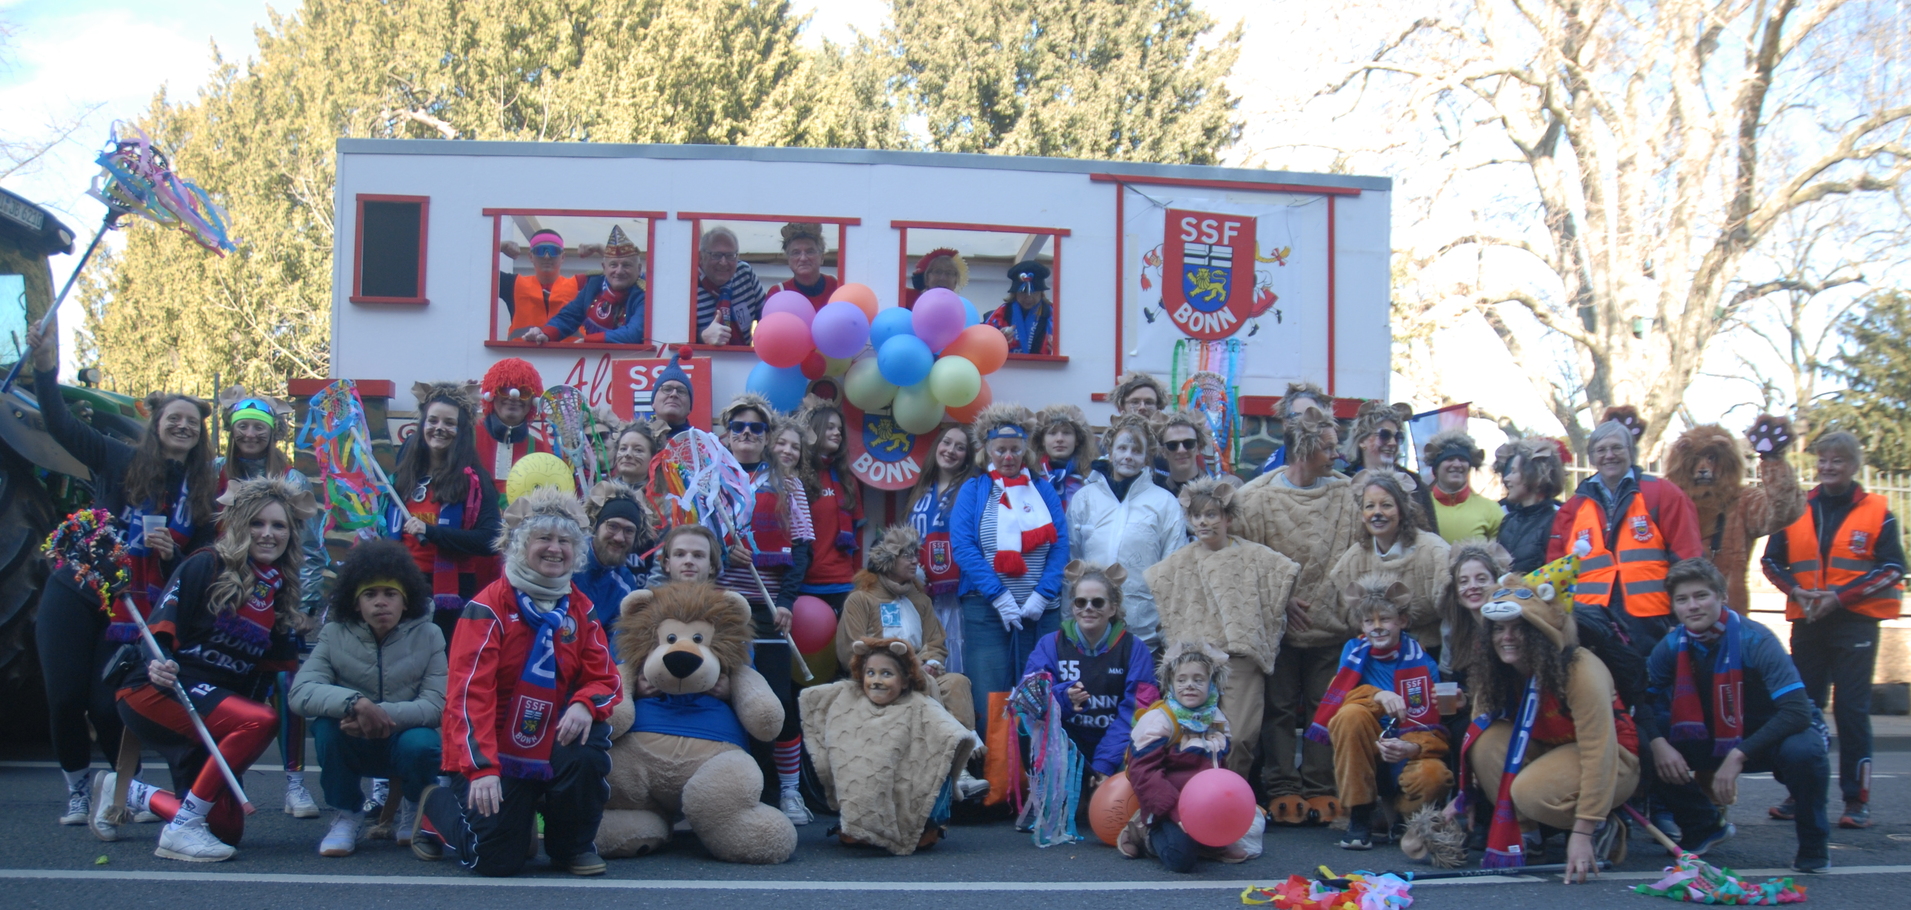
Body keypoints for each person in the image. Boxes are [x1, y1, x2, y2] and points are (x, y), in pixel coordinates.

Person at [26, 311, 218, 826]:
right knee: (64, 697)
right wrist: (47, 368)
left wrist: (169, 555)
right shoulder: (118, 459)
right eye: (173, 418)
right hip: (79, 590)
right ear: (156, 425)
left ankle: (119, 791)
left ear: (200, 437)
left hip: (132, 609)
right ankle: (77, 788)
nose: (182, 426)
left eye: (192, 424)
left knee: (107, 705)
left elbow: (198, 565)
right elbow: (62, 426)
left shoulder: (201, 498)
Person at [420, 488, 623, 877]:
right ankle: (437, 807)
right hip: (493, 746)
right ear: (519, 544)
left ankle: (571, 848)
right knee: (496, 862)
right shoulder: (488, 607)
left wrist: (584, 703)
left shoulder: (579, 607)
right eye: (543, 538)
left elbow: (606, 677)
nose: (554, 549)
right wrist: (482, 768)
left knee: (587, 747)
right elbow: (467, 696)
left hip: (551, 736)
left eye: (564, 540)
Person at [110, 478, 312, 861]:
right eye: (257, 523)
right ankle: (182, 827)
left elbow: (274, 679)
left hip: (217, 712)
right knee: (260, 721)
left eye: (279, 525)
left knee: (226, 832)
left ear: (291, 533)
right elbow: (155, 634)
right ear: (238, 524)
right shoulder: (206, 563)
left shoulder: (280, 590)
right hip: (158, 691)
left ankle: (135, 793)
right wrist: (157, 663)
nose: (268, 534)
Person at [1461, 549, 1638, 882]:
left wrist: (1582, 831)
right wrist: (1462, 802)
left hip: (1614, 759)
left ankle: (1599, 823)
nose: (1506, 637)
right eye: (1498, 629)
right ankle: (1529, 834)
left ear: (1541, 631)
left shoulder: (1580, 668)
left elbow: (1599, 751)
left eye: (1519, 628)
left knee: (1529, 792)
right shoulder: (1497, 669)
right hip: (1549, 751)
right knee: (1484, 742)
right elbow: (1476, 728)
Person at [1645, 559, 1831, 871]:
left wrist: (1738, 755)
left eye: (1701, 596)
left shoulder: (1755, 639)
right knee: (1640, 741)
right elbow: (1639, 705)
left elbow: (1797, 712)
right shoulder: (1671, 644)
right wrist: (1659, 745)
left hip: (1766, 737)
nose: (1692, 606)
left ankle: (1813, 844)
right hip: (1707, 737)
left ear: (1722, 597)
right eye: (1682, 599)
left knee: (1804, 751)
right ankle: (1703, 825)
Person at [1761, 431, 1901, 830]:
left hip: (1854, 621)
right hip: (1808, 620)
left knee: (1851, 710)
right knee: (1804, 709)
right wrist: (1798, 592)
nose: (1827, 466)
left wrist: (1840, 598)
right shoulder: (1798, 507)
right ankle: (1800, 792)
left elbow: (1893, 568)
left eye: (1837, 460)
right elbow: (1771, 563)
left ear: (1854, 465)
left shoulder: (1878, 510)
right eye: (1822, 459)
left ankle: (1856, 800)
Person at [1235, 406, 1357, 825]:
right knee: (1280, 708)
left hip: (1332, 627)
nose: (1335, 455)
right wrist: (1280, 599)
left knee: (1327, 707)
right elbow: (1245, 558)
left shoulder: (1350, 495)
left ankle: (1322, 789)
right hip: (1280, 630)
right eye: (1327, 448)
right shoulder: (1257, 498)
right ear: (1303, 449)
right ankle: (1283, 787)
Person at [289, 539, 447, 857]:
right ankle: (347, 814)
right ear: (355, 601)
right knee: (325, 729)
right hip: (352, 737)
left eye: (390, 594)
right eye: (370, 594)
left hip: (401, 739)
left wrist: (379, 714)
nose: (380, 603)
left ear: (406, 600)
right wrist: (356, 704)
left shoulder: (430, 635)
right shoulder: (334, 633)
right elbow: (301, 692)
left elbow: (436, 704)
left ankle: (414, 809)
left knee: (423, 742)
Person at [213, 389, 329, 818]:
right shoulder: (214, 474)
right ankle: (227, 781)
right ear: (230, 430)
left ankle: (295, 785)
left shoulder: (293, 481)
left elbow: (313, 551)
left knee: (286, 692)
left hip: (278, 602)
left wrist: (303, 607)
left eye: (258, 427)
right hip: (227, 604)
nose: (249, 434)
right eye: (242, 425)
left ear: (273, 433)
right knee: (229, 692)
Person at [1145, 478, 1298, 781]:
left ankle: (1231, 790)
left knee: (1240, 734)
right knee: (1190, 732)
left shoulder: (1256, 557)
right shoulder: (1176, 564)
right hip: (1195, 660)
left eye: (1212, 514)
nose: (1204, 522)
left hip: (1239, 656)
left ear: (1228, 518)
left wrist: (1281, 606)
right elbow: (1165, 596)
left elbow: (1282, 580)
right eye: (1197, 516)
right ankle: (1193, 791)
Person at [716, 393, 813, 825]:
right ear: (728, 435)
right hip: (721, 606)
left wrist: (788, 602)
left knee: (776, 701)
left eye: (756, 429)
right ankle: (735, 789)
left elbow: (803, 547)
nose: (747, 435)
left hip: (767, 607)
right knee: (724, 696)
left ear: (768, 437)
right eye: (739, 428)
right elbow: (690, 544)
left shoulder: (787, 485)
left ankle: (789, 791)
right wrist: (723, 552)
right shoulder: (711, 482)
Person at [950, 403, 1070, 736]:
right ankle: (999, 781)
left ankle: (1039, 777)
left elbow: (1060, 546)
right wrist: (1000, 596)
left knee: (1040, 697)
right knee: (993, 699)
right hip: (987, 613)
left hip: (1040, 613)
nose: (1008, 456)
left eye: (1015, 449)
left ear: (1025, 450)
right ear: (987, 450)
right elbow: (964, 548)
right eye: (1000, 449)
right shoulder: (974, 491)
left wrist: (1043, 595)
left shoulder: (1043, 490)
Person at [1312, 576, 1453, 850]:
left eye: (1385, 619)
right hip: (1365, 754)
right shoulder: (1353, 653)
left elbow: (1436, 729)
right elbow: (1337, 699)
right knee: (1350, 715)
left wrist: (1410, 747)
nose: (1376, 628)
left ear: (1402, 621)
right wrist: (1378, 695)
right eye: (1369, 621)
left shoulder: (1423, 661)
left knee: (1436, 775)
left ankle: (1402, 817)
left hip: (1406, 749)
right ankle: (1360, 816)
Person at [800, 638, 974, 854]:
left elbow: (950, 733)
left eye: (886, 674)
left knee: (933, 767)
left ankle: (922, 826)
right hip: (863, 786)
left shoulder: (918, 705)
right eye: (870, 673)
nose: (876, 680)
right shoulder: (850, 700)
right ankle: (859, 822)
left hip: (905, 784)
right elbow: (816, 700)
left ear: (904, 680)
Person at [1548, 418, 1702, 657]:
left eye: (1617, 447)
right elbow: (1558, 573)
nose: (1609, 455)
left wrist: (1680, 616)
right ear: (1591, 458)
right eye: (1601, 450)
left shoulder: (1662, 494)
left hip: (1653, 622)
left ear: (1631, 451)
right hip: (1591, 622)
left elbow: (1688, 558)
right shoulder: (1572, 509)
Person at [1118, 640, 1262, 871]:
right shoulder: (1159, 720)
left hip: (1206, 807)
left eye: (1199, 680)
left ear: (1212, 684)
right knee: (1181, 859)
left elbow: (1219, 770)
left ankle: (1209, 843)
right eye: (1181, 680)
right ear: (1171, 684)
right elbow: (1143, 773)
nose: (1189, 686)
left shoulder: (1215, 718)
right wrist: (1177, 812)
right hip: (1167, 807)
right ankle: (1141, 833)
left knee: (1251, 832)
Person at [1022, 561, 1159, 791]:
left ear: (1112, 608)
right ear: (1073, 607)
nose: (1088, 608)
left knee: (1152, 732)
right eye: (1080, 601)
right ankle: (1044, 797)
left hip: (1117, 748)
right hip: (1067, 746)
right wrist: (1064, 699)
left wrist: (1105, 764)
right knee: (1025, 724)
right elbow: (1029, 699)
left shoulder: (1135, 649)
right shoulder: (1050, 644)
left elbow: (1137, 713)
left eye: (1097, 602)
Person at [838, 527, 978, 734]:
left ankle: (963, 750)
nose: (915, 561)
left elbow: (935, 642)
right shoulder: (860, 599)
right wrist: (898, 669)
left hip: (921, 674)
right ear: (887, 561)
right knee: (920, 687)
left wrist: (931, 663)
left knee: (956, 683)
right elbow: (851, 650)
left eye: (915, 555)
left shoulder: (920, 600)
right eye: (907, 556)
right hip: (880, 678)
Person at [393, 382, 503, 643]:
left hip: (450, 595)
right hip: (402, 584)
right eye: (432, 420)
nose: (439, 428)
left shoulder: (476, 481)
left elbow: (491, 540)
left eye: (449, 423)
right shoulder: (403, 475)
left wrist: (431, 532)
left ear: (461, 430)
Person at [1665, 416, 1805, 611]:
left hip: (1728, 612)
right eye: (1695, 459)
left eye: (1712, 458)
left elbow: (1781, 512)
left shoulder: (1742, 501)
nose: (1703, 467)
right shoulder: (1669, 501)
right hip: (1674, 611)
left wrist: (1773, 460)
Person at [1069, 415, 1186, 645]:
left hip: (1142, 629)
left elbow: (1174, 569)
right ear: (1110, 452)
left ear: (1146, 457)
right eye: (1122, 448)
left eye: (1136, 450)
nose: (1128, 456)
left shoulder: (1164, 502)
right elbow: (1072, 561)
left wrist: (1168, 631)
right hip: (1090, 630)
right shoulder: (1085, 498)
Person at [1328, 471, 1452, 655]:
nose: (1377, 513)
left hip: (1431, 651)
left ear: (1401, 511)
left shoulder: (1433, 551)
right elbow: (1349, 615)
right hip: (1376, 654)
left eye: (1386, 505)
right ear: (1362, 514)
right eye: (1370, 506)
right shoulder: (1353, 560)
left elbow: (1451, 614)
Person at [907, 424, 977, 672]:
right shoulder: (920, 489)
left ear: (968, 457)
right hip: (918, 591)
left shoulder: (971, 490)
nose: (950, 450)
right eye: (946, 442)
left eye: (960, 447)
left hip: (955, 595)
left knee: (950, 654)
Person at [522, 225, 646, 344]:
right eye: (613, 265)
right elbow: (569, 317)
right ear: (604, 267)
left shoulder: (645, 292)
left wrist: (590, 340)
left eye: (626, 265)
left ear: (639, 269)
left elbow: (634, 333)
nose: (619, 271)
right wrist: (545, 334)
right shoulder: (595, 284)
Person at [796, 405, 862, 612]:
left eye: (840, 430)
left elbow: (857, 536)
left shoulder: (848, 480)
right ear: (815, 430)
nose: (837, 433)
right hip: (805, 582)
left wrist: (860, 580)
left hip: (843, 582)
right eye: (830, 427)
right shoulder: (796, 478)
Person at [574, 481, 647, 658]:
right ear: (595, 525)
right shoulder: (568, 562)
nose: (619, 537)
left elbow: (616, 646)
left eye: (629, 531)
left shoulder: (625, 583)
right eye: (612, 526)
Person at [498, 229, 588, 340]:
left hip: (570, 356)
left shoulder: (580, 285)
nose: (546, 256)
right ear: (531, 256)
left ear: (563, 257)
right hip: (523, 356)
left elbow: (613, 277)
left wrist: (601, 249)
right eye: (540, 251)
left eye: (553, 251)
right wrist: (498, 246)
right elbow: (475, 274)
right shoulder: (513, 284)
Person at [474, 358, 547, 495]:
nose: (514, 397)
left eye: (524, 392)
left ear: (533, 400)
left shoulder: (543, 452)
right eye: (505, 389)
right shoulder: (465, 438)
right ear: (492, 394)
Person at [1494, 437, 1567, 574]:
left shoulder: (1557, 522)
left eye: (1514, 471)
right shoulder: (1508, 521)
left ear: (1534, 476)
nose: (1507, 478)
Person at [1423, 430, 1501, 544]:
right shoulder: (1420, 506)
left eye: (1463, 459)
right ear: (1436, 468)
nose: (1457, 464)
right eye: (1449, 459)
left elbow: (1500, 557)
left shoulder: (1491, 509)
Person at [695, 226, 765, 346]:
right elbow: (674, 340)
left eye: (730, 255)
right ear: (701, 257)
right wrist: (702, 337)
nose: (723, 262)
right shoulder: (688, 284)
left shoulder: (744, 273)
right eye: (716, 255)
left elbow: (765, 316)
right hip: (704, 360)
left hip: (742, 359)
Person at [1256, 381, 1332, 475]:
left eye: (1311, 415)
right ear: (1285, 423)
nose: (1304, 423)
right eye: (1296, 416)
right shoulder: (1265, 470)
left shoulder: (1337, 466)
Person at [1035, 403, 1097, 512]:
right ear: (1042, 441)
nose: (1059, 439)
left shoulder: (1092, 478)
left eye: (1067, 433)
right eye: (1052, 433)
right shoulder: (1031, 476)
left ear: (1077, 440)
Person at [986, 260, 1055, 355]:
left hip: (1046, 369)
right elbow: (984, 346)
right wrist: (997, 341)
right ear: (1014, 293)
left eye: (1034, 292)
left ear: (1041, 293)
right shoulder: (1000, 315)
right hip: (1011, 368)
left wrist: (1059, 349)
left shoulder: (1055, 316)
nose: (1028, 297)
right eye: (1023, 292)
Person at [769, 222, 840, 309]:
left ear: (822, 256)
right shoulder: (778, 293)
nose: (803, 258)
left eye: (810, 252)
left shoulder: (837, 286)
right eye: (796, 253)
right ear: (788, 259)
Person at [1154, 409, 1215, 497]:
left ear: (1199, 447)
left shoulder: (1217, 491)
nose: (1181, 450)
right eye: (1172, 445)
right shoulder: (1156, 495)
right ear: (1163, 451)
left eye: (1188, 443)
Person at [646, 348, 700, 441]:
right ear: (653, 402)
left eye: (681, 391)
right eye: (667, 389)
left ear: (690, 407)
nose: (674, 394)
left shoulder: (703, 443)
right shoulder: (636, 439)